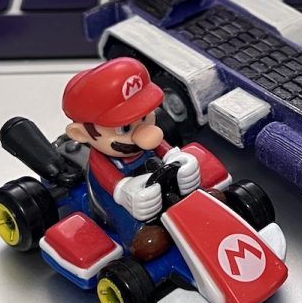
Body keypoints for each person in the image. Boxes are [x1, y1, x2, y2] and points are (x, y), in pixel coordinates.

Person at [62, 57, 200, 252]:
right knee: (132, 225)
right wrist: (127, 191)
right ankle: (133, 234)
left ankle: (198, 202)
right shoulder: (101, 160)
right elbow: (112, 184)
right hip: (115, 195)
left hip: (157, 182)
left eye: (145, 117)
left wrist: (176, 158)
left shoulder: (149, 140)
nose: (145, 133)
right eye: (124, 128)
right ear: (80, 134)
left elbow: (163, 148)